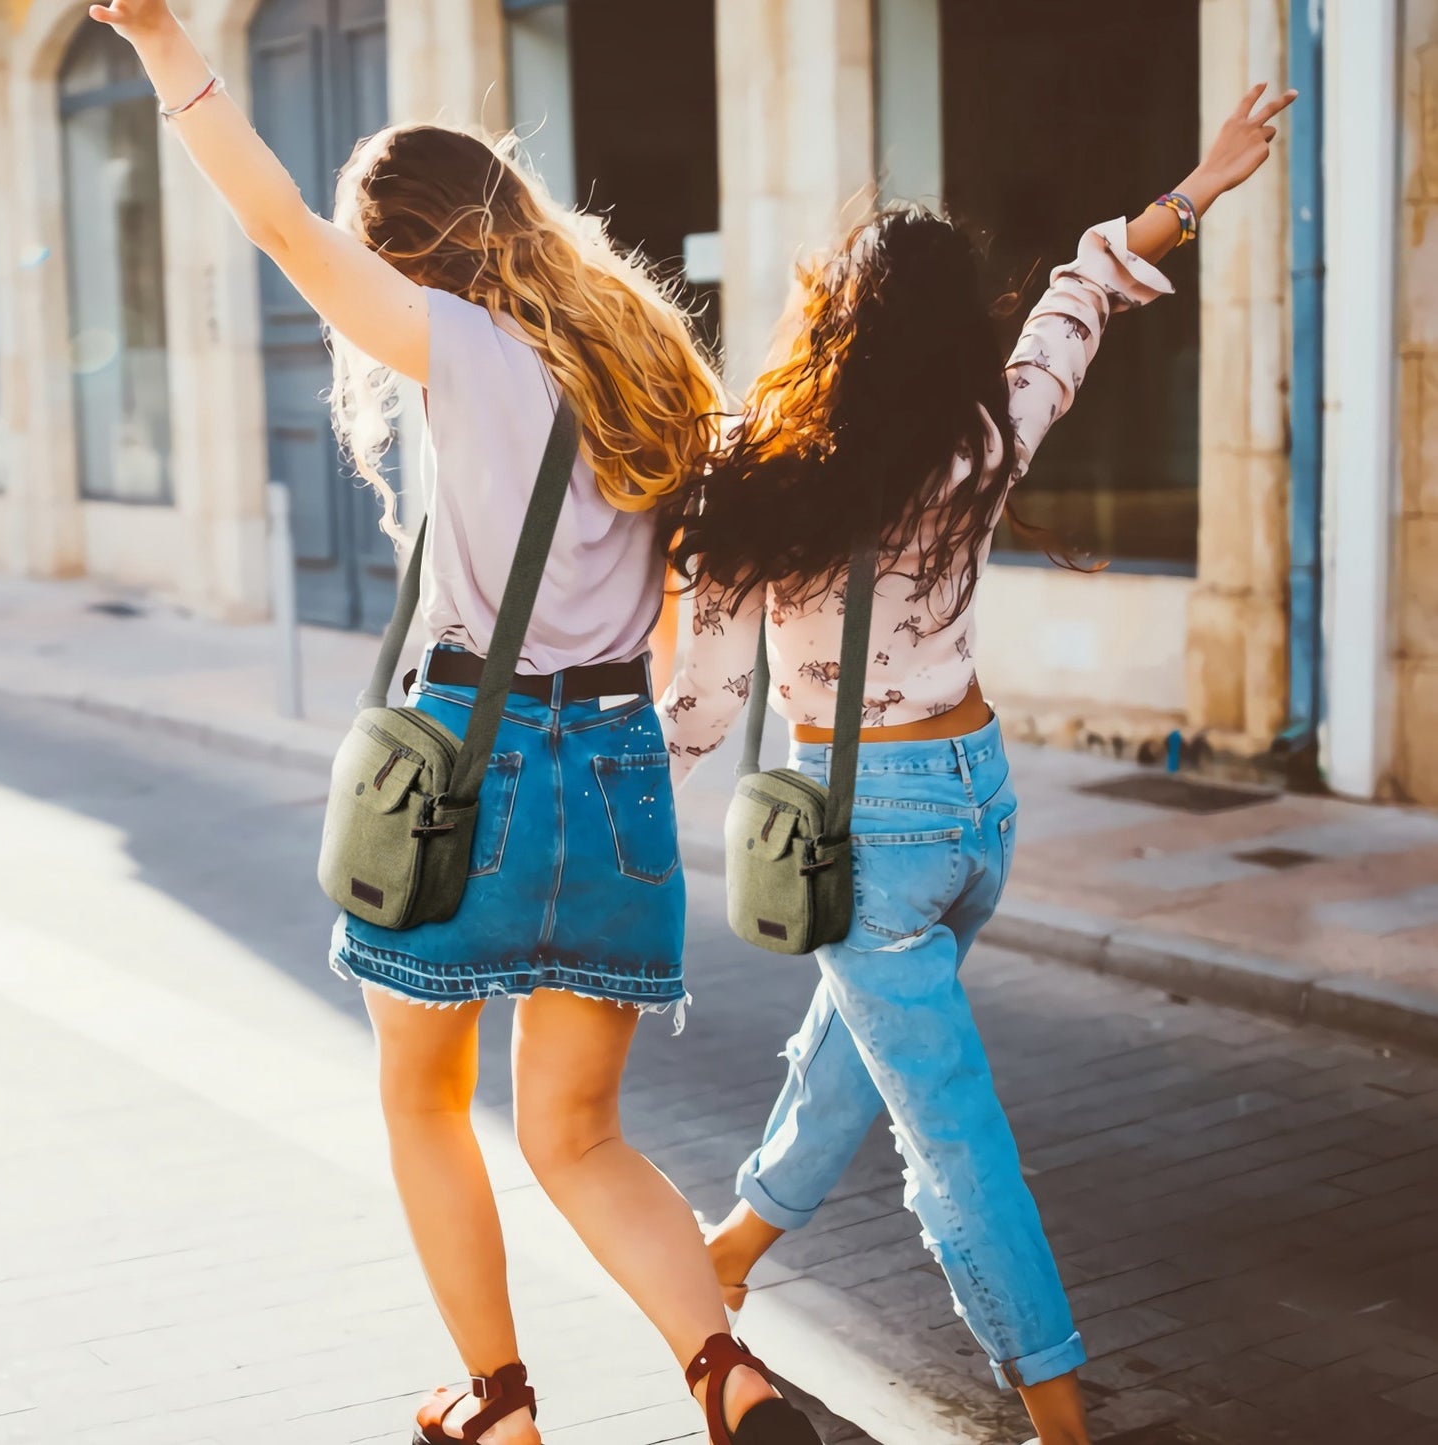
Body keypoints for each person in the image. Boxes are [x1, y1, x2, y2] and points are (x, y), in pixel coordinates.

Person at [89, 5, 825, 1444]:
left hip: (471, 775)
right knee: (581, 1133)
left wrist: (168, 43)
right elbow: (684, 600)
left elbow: (283, 228)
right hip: (613, 768)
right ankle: (722, 1372)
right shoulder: (646, 353)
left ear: (406, 255)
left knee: (427, 1103)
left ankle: (499, 1405)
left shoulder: (459, 346)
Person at [658, 83, 1297, 1445]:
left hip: (859, 836)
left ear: (831, 319)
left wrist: (619, 829)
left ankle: (1055, 1411)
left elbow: (702, 703)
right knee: (863, 1047)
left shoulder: (755, 475)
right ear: (956, 330)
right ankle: (726, 1253)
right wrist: (1194, 189)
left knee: (947, 1133)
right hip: (974, 810)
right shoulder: (986, 434)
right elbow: (1080, 294)